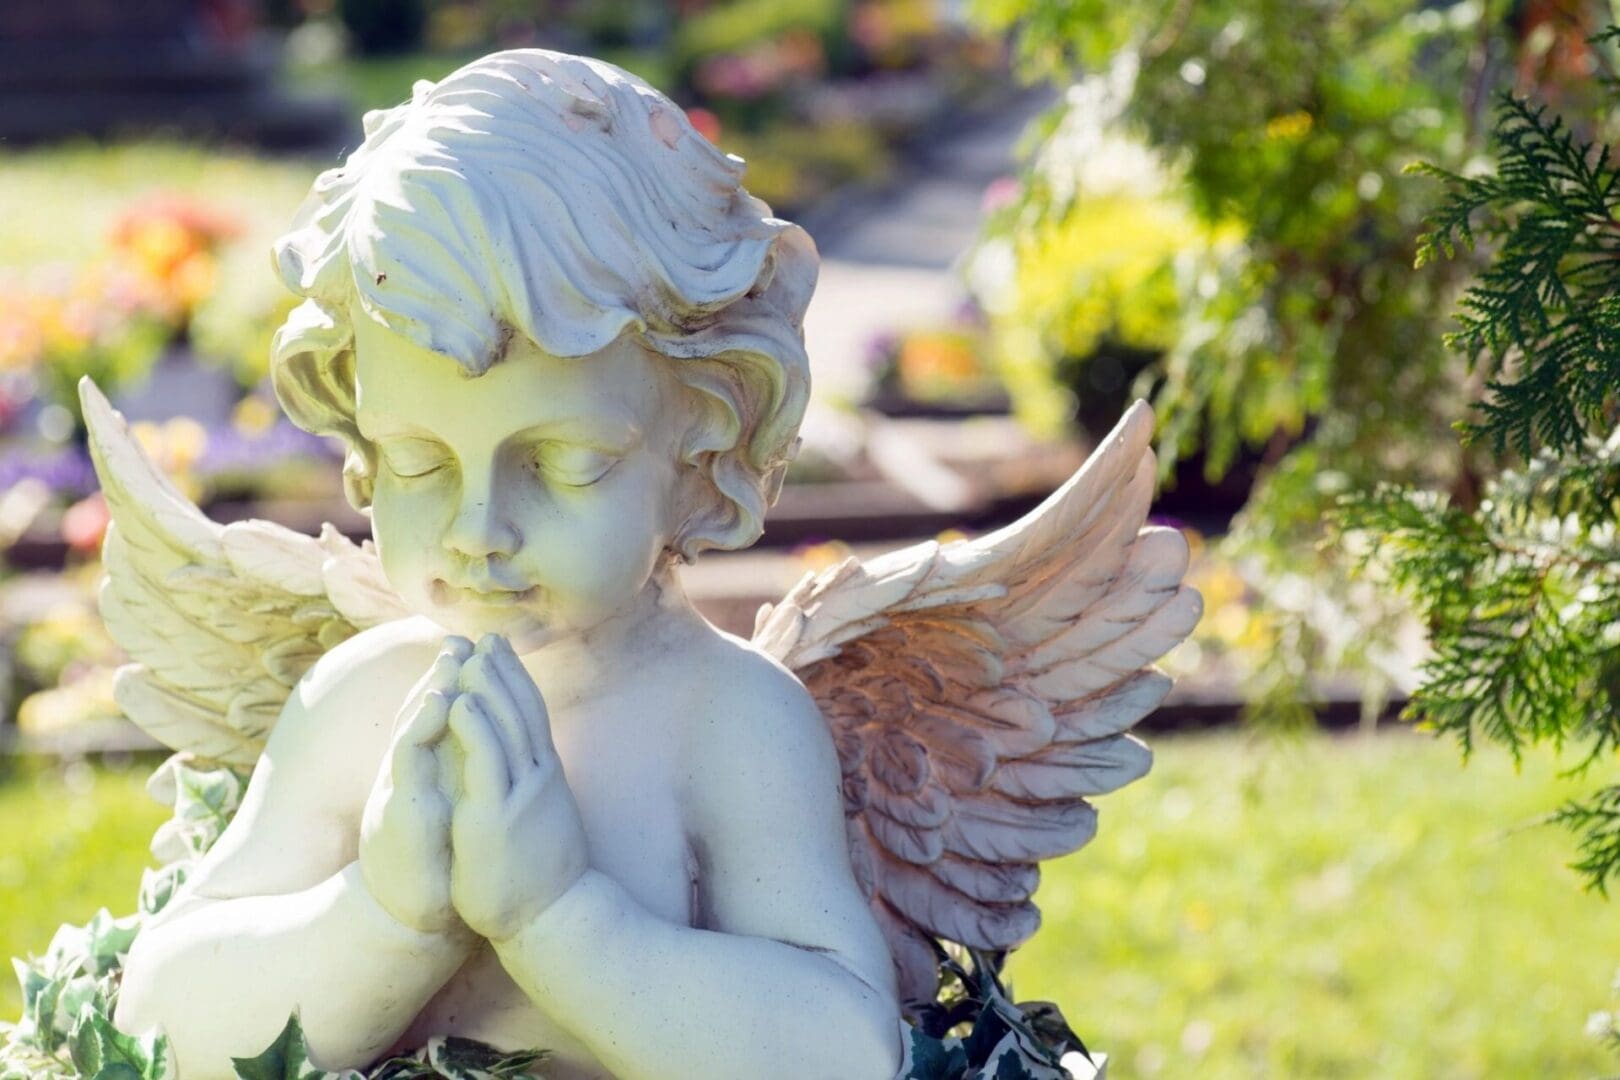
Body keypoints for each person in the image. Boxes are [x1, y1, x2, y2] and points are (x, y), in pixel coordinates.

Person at [113, 49, 901, 1080]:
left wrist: (559, 918)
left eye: (564, 462)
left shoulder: (728, 724)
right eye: (418, 460)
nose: (479, 525)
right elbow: (162, 1022)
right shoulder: (359, 706)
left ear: (703, 441)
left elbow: (847, 1052)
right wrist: (385, 917)